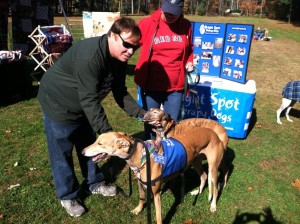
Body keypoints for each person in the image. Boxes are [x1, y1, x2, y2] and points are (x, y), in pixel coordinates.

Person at [37, 17, 146, 217]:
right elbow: (89, 100)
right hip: (58, 102)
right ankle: (68, 195)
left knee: (88, 143)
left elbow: (120, 91)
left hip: (84, 105)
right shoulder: (90, 55)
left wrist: (143, 114)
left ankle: (94, 182)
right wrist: (108, 137)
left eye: (136, 47)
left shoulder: (119, 58)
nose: (131, 51)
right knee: (62, 152)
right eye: (127, 45)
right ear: (113, 36)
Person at [134, 0, 194, 139]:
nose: (170, 15)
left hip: (175, 87)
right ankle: (151, 153)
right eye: (167, 11)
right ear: (162, 6)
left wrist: (189, 62)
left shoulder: (186, 25)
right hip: (151, 85)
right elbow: (132, 43)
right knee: (151, 123)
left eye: (174, 12)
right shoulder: (148, 23)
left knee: (172, 124)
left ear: (181, 9)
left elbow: (190, 48)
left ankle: (169, 155)